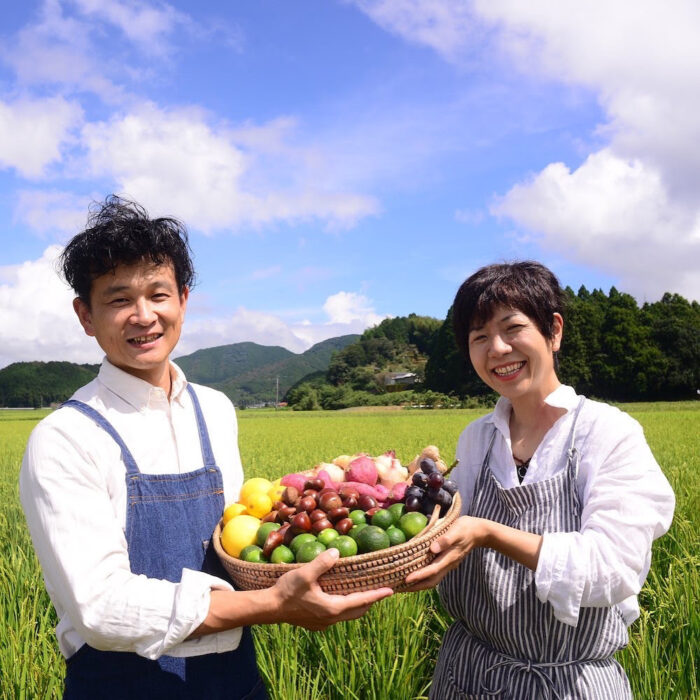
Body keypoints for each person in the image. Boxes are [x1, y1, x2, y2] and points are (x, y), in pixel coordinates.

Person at [19, 195, 393, 700]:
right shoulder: (65, 438)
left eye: (158, 294)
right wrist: (274, 606)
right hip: (120, 686)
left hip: (236, 677)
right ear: (85, 316)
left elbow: (237, 541)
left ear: (184, 300)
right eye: (118, 299)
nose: (143, 315)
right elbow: (101, 609)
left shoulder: (215, 410)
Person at [404, 261, 675, 699]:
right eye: (478, 338)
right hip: (466, 674)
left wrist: (490, 533)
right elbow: (446, 539)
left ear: (554, 330)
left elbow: (612, 569)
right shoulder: (477, 439)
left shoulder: (606, 433)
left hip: (568, 683)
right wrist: (414, 497)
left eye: (512, 328)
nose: (497, 349)